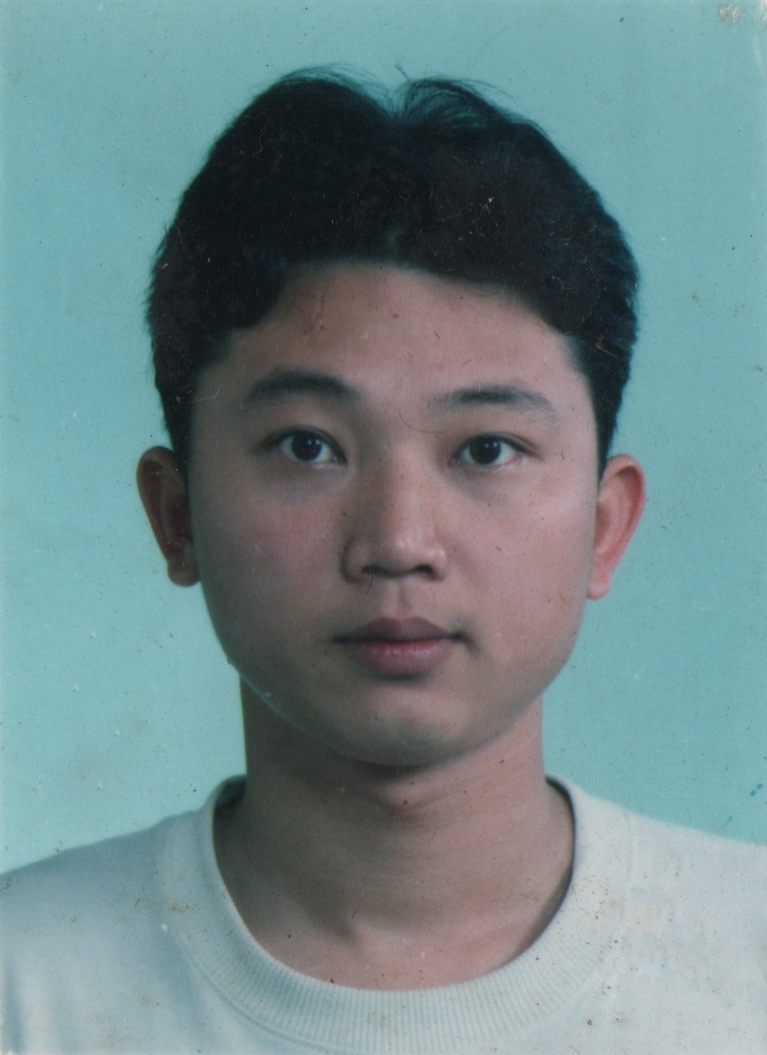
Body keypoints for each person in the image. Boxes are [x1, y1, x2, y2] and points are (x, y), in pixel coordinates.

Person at [1, 70, 765, 1054]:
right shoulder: (27, 985)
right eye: (307, 446)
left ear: (603, 525)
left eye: (484, 449)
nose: (400, 542)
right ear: (176, 514)